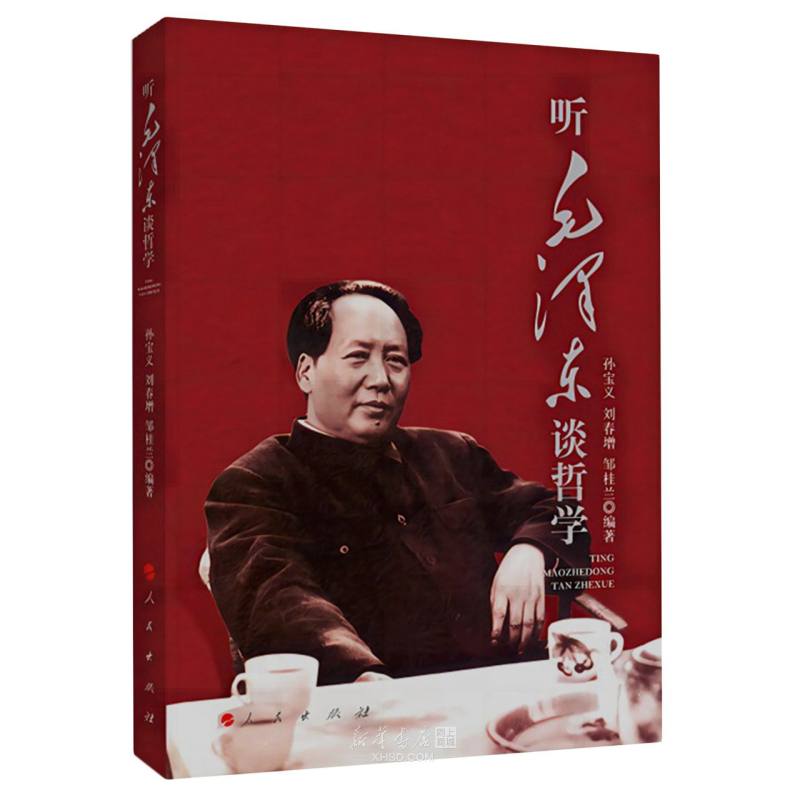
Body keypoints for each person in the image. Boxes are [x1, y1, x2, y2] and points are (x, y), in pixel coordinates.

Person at [205, 280, 590, 685]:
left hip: (504, 686)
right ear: (306, 371)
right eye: (357, 357)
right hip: (375, 702)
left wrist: (529, 551)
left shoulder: (451, 453)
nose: (381, 379)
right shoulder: (255, 483)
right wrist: (362, 679)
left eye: (396, 361)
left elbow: (560, 513)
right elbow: (281, 601)